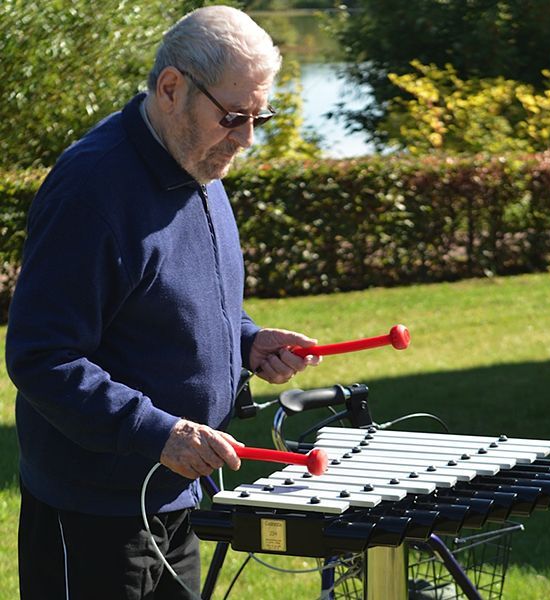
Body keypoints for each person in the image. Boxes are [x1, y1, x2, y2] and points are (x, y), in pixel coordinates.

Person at [5, 6, 319, 599]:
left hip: (173, 499)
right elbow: (41, 356)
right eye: (234, 116)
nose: (247, 138)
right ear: (171, 88)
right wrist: (157, 431)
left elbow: (165, 297)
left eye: (259, 117)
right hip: (93, 510)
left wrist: (246, 340)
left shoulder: (198, 163)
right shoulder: (91, 190)